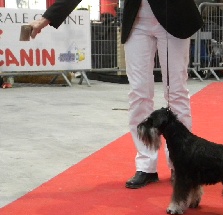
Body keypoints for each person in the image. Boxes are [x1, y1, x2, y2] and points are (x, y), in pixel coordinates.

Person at [29, 0, 203, 189]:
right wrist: (47, 18)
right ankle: (146, 166)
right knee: (139, 93)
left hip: (175, 19)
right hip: (136, 22)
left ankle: (180, 164)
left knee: (175, 93)